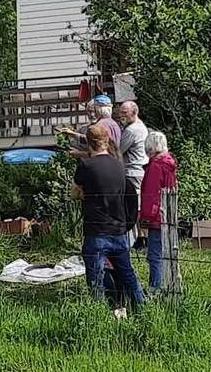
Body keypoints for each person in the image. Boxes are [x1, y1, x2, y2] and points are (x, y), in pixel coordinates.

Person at [72, 123, 144, 313]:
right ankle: (142, 308)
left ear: (88, 143)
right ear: (106, 141)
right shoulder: (120, 166)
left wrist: (84, 194)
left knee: (95, 277)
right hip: (119, 229)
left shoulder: (86, 166)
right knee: (127, 274)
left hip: (96, 231)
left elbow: (75, 192)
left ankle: (99, 313)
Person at [140, 131, 178, 294]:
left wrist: (145, 217)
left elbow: (151, 193)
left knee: (154, 255)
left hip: (156, 216)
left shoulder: (155, 166)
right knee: (166, 252)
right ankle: (167, 285)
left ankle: (156, 288)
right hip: (168, 213)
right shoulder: (169, 164)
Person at [119, 100, 148, 247]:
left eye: (125, 113)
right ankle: (141, 237)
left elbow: (119, 149)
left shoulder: (132, 130)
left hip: (132, 170)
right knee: (137, 204)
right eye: (121, 112)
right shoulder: (139, 126)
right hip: (138, 169)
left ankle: (141, 237)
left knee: (134, 205)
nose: (121, 116)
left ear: (134, 112)